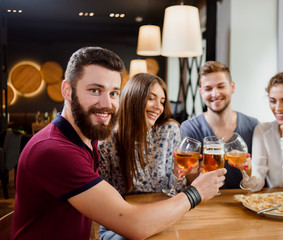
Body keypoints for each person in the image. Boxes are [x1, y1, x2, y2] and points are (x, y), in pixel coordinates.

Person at [11, 47, 226, 240]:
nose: (106, 104)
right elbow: (134, 224)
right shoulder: (55, 151)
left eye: (114, 93)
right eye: (95, 90)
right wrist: (196, 192)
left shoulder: (85, 139)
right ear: (67, 90)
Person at [98, 73, 187, 239]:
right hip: (121, 224)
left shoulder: (169, 131)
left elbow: (174, 191)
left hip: (163, 217)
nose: (158, 107)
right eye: (151, 98)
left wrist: (177, 172)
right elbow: (102, 200)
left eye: (162, 101)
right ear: (133, 98)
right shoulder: (107, 139)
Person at [180, 61, 259, 189]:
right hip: (205, 204)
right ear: (201, 92)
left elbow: (258, 181)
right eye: (208, 89)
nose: (215, 94)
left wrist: (249, 169)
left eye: (221, 86)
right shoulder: (189, 128)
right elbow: (189, 184)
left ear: (232, 87)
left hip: (242, 202)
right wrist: (194, 174)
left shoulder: (253, 125)